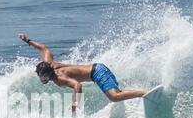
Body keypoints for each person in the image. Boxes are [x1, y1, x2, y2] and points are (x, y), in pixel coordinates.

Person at [18, 33, 147, 111]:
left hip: (97, 73)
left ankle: (144, 93)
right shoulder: (49, 63)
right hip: (99, 68)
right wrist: (27, 40)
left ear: (47, 75)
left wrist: (76, 102)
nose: (40, 79)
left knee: (114, 97)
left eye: (42, 77)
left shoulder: (59, 77)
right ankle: (142, 94)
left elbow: (77, 85)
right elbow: (43, 48)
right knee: (117, 93)